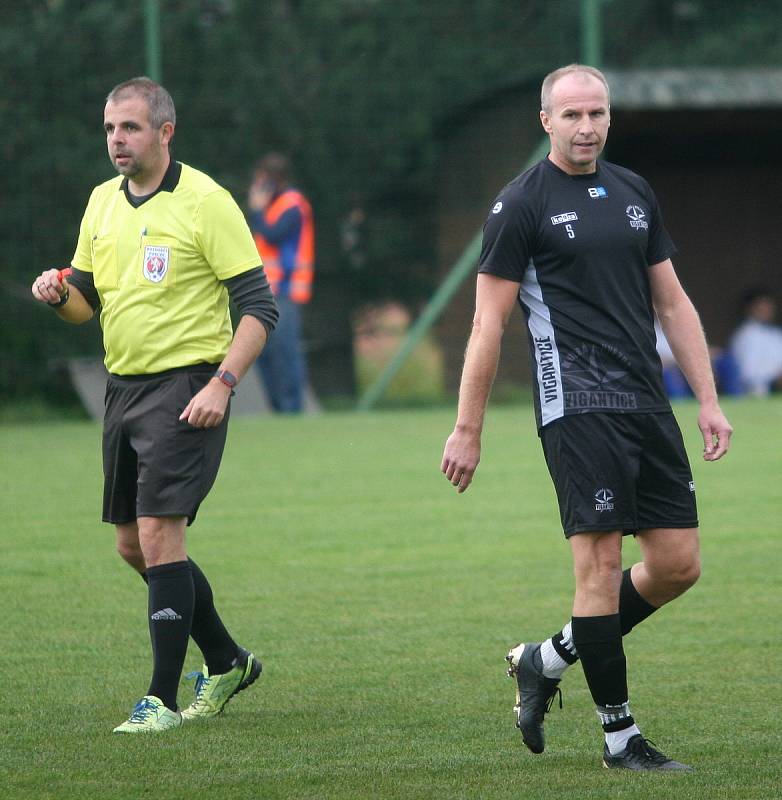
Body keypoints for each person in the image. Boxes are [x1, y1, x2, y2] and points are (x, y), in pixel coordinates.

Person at [441, 64, 732, 771]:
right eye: (571, 114)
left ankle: (547, 658)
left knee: (677, 564)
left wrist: (709, 398)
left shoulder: (633, 190)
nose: (586, 126)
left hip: (644, 401)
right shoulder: (520, 205)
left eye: (596, 113)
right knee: (599, 566)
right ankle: (620, 739)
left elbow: (673, 304)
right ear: (546, 121)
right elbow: (487, 325)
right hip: (576, 406)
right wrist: (467, 426)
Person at [31, 77, 279, 733]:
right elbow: (86, 306)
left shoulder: (206, 201)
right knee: (131, 547)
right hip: (123, 388)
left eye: (131, 127)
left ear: (165, 132)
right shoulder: (100, 203)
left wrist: (221, 385)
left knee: (161, 536)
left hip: (187, 385)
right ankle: (226, 660)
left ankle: (160, 701)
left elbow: (259, 307)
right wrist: (60, 297)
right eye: (111, 128)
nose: (117, 139)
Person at [248, 153, 314, 413]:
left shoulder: (292, 205)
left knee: (285, 352)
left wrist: (256, 210)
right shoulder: (274, 207)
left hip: (286, 290)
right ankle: (278, 408)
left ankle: (291, 409)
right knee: (264, 354)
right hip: (267, 291)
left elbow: (273, 235)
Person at [730, 286, 782, 395]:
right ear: (750, 308)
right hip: (760, 390)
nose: (766, 310)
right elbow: (747, 372)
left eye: (768, 306)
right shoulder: (745, 335)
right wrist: (775, 376)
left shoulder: (776, 333)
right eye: (761, 306)